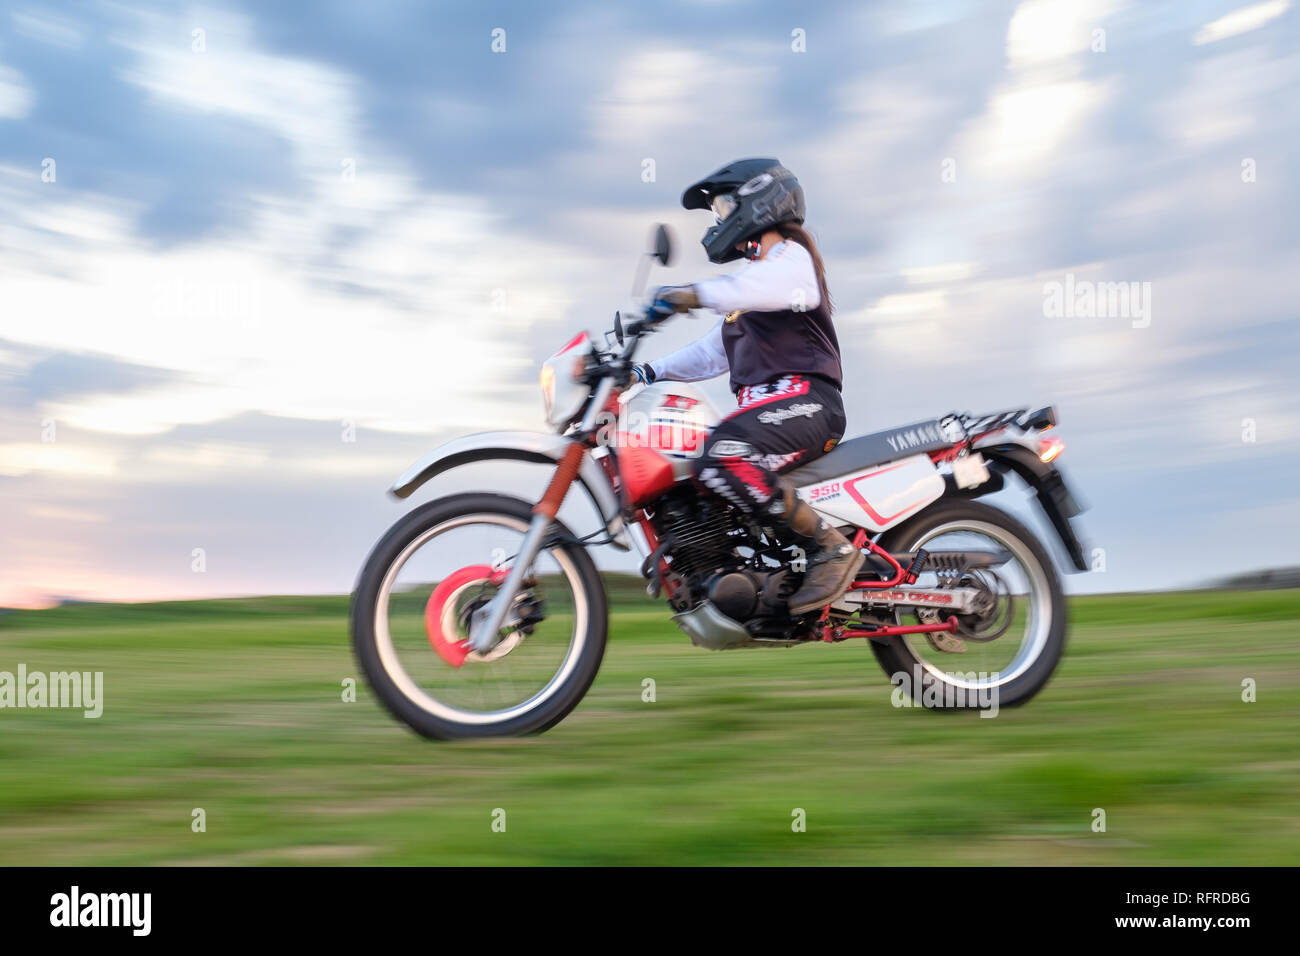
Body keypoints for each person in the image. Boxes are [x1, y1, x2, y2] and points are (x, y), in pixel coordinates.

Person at [633, 158, 861, 616]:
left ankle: (831, 549)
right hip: (774, 408)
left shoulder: (789, 261)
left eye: (722, 206)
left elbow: (746, 288)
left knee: (721, 454)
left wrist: (689, 294)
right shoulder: (753, 289)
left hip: (806, 402)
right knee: (701, 476)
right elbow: (711, 353)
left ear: (757, 201)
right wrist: (646, 373)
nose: (719, 219)